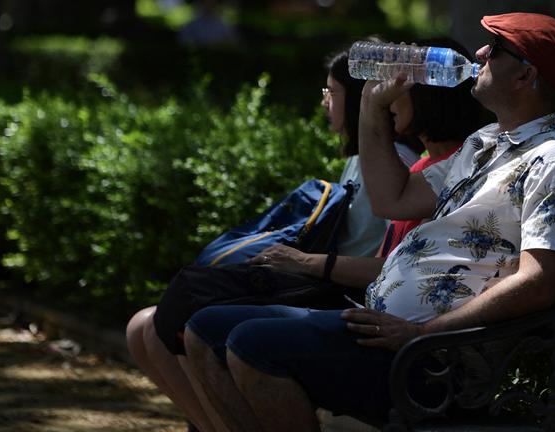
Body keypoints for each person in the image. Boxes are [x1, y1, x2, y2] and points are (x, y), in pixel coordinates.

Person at [184, 12, 555, 431]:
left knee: (251, 345)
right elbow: (390, 199)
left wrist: (422, 333)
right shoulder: (484, 142)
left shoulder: (554, 163)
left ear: (525, 76)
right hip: (389, 331)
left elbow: (539, 283)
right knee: (203, 330)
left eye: (497, 48)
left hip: (433, 360)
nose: (480, 52)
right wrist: (372, 104)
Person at [181, 38, 485, 432]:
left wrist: (309, 263)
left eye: (401, 87)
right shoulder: (427, 166)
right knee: (200, 325)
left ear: (429, 95)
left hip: (411, 347)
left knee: (243, 340)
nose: (390, 98)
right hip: (373, 316)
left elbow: (386, 211)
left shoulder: (456, 166)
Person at [124, 46, 426, 432]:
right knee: (148, 323)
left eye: (331, 92)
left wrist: (305, 263)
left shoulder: (395, 163)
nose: (323, 101)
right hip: (321, 283)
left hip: (340, 294)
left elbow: (385, 260)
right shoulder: (364, 157)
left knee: (180, 319)